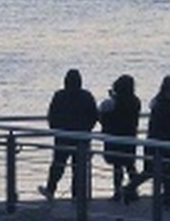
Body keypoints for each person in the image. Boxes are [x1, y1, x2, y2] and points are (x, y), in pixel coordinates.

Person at [39, 68, 98, 199]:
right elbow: (94, 116)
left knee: (58, 165)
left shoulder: (59, 95)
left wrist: (56, 130)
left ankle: (51, 189)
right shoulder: (86, 96)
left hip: (63, 136)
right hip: (82, 137)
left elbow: (52, 115)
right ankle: (77, 195)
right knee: (78, 168)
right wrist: (86, 129)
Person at [140, 74, 170, 205]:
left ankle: (167, 195)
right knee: (168, 168)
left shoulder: (157, 102)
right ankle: (168, 196)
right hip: (167, 140)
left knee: (157, 169)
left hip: (159, 139)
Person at [98, 73, 143, 203]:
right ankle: (132, 189)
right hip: (130, 136)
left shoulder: (114, 102)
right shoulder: (135, 101)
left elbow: (104, 116)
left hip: (115, 137)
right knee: (130, 165)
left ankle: (117, 191)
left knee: (117, 166)